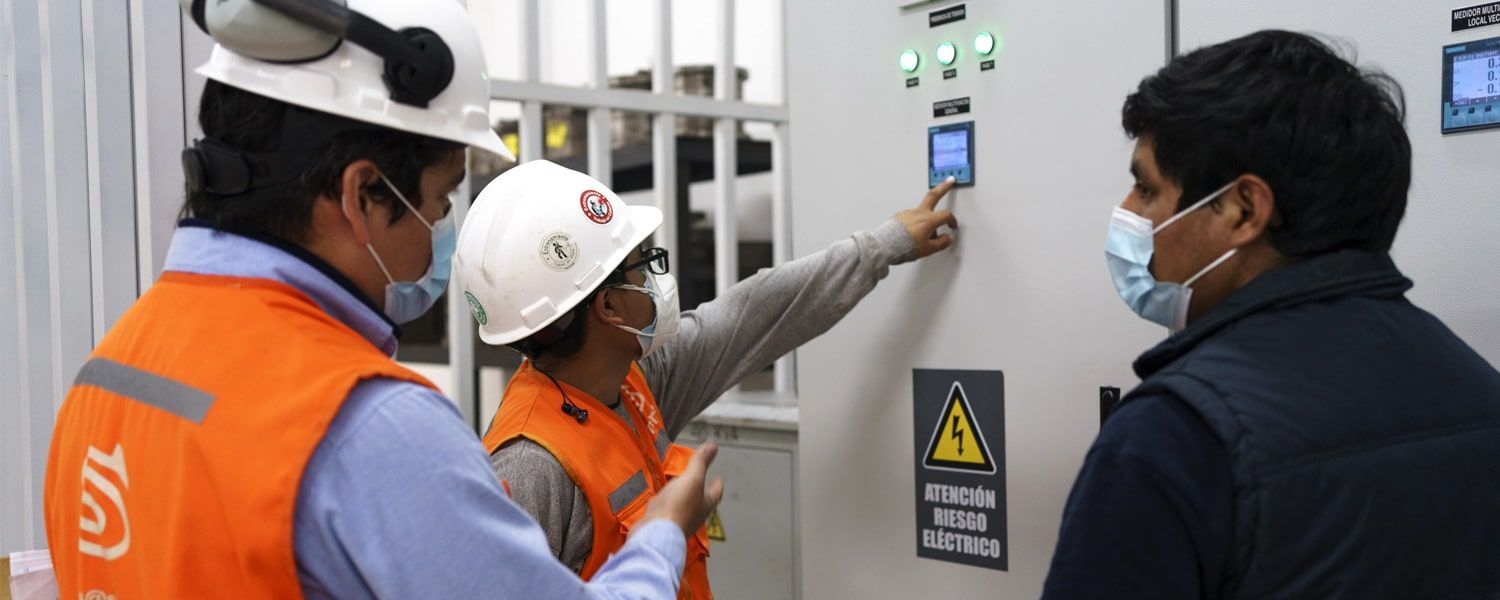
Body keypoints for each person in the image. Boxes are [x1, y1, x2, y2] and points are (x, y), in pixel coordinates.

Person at [44, 0, 721, 597]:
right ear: (363, 195)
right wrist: (660, 535)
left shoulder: (105, 379)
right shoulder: (368, 427)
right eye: (441, 199)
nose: (440, 239)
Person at [1043, 30, 1500, 598]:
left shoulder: (1173, 438)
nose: (1126, 211)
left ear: (1243, 210)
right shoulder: (1479, 390)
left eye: (1145, 188)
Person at [452, 161, 959, 597]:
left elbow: (756, 313)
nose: (653, 281)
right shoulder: (530, 467)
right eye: (638, 269)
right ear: (607, 307)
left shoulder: (633, 383)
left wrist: (883, 245)